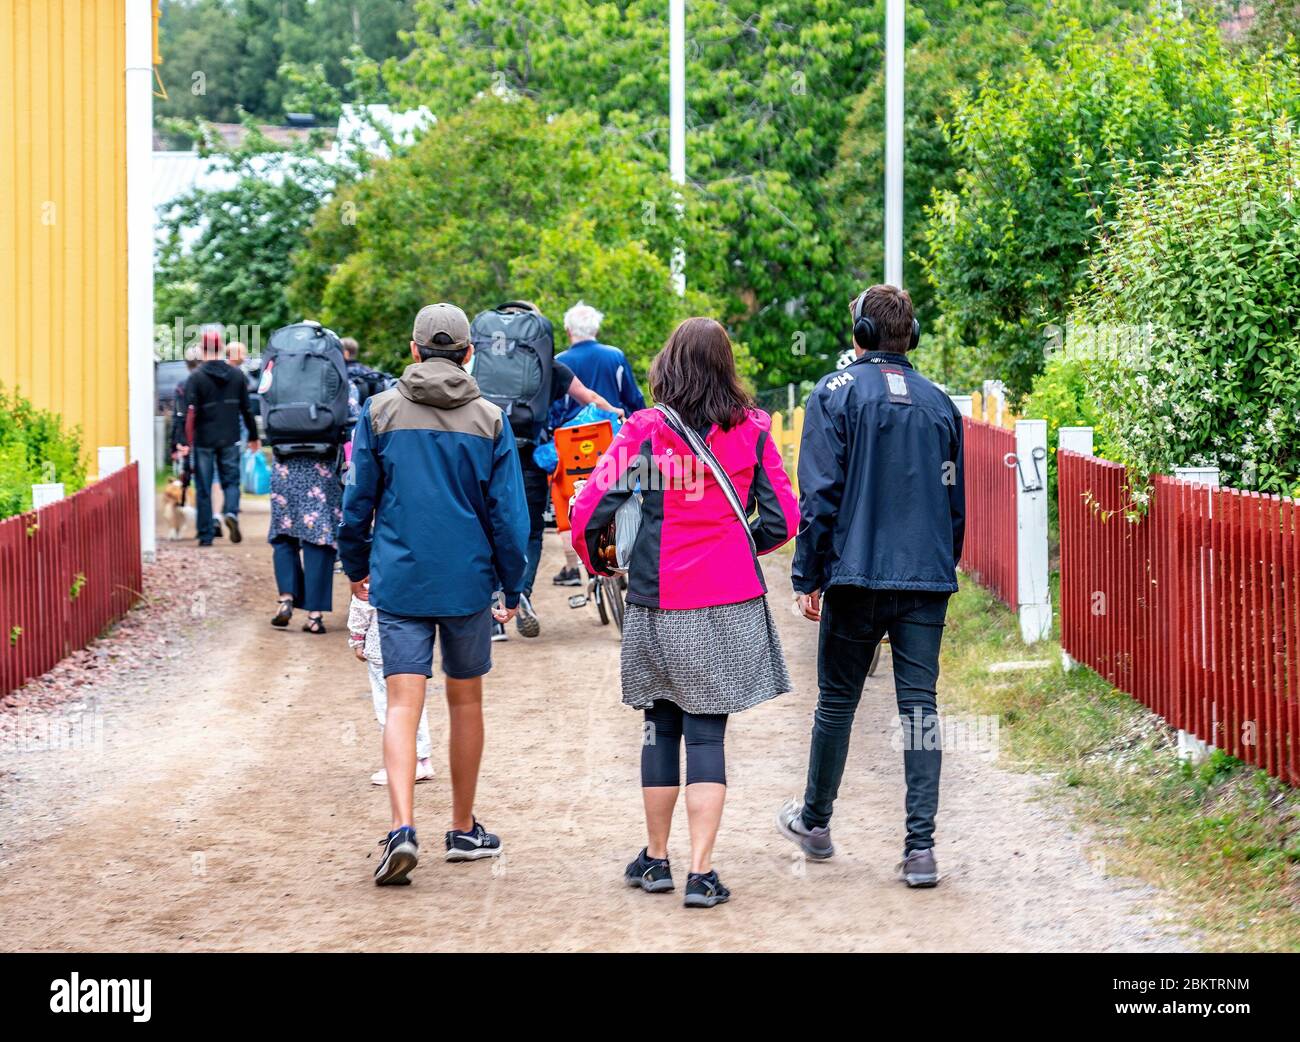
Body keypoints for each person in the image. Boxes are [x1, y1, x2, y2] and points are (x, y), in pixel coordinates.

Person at [571, 317, 799, 909]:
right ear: (726, 368)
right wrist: (737, 542)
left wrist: (600, 564)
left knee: (658, 726)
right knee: (706, 733)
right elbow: (781, 519)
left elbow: (593, 509)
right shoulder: (749, 430)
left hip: (658, 598)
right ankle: (701, 872)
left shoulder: (647, 433)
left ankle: (655, 860)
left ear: (669, 364)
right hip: (726, 601)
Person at [776, 284, 965, 889]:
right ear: (910, 336)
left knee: (837, 702)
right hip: (925, 579)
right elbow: (953, 505)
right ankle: (920, 850)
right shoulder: (941, 405)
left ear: (859, 334)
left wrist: (809, 574)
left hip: (854, 575)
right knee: (920, 711)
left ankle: (816, 822)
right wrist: (940, 568)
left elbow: (820, 497)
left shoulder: (833, 394)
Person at [339, 302, 528, 887]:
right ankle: (464, 827)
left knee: (402, 702)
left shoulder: (378, 413)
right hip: (466, 583)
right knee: (465, 701)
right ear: (470, 353)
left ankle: (401, 827)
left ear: (415, 350)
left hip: (398, 580)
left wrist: (355, 567)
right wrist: (512, 583)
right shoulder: (491, 420)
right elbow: (509, 519)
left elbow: (356, 504)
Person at [478, 301, 624, 641]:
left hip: (485, 449)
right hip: (529, 454)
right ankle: (520, 592)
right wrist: (614, 410)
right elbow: (586, 396)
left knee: (487, 527)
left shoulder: (481, 361)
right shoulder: (546, 363)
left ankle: (492, 617)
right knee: (527, 530)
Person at [550, 301, 646, 588]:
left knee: (568, 494)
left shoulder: (560, 361)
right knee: (621, 487)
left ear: (568, 331)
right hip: (612, 439)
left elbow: (555, 408)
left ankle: (573, 564)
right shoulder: (614, 356)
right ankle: (627, 546)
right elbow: (633, 399)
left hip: (572, 443)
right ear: (597, 328)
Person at [348, 587, 434, 787]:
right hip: (415, 649)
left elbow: (360, 610)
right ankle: (422, 759)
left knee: (389, 707)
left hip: (382, 651)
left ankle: (402, 763)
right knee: (414, 704)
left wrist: (357, 641)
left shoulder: (369, 580)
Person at [185, 325, 260, 546]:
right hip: (230, 435)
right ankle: (231, 512)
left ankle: (206, 534)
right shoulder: (237, 375)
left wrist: (183, 440)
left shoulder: (196, 377)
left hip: (204, 438)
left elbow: (189, 412)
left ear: (202, 348)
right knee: (231, 481)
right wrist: (254, 436)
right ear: (220, 348)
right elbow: (247, 409)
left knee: (204, 485)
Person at [268, 449, 343, 634]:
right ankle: (314, 616)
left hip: (285, 467)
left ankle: (286, 599)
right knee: (319, 537)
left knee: (284, 534)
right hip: (322, 466)